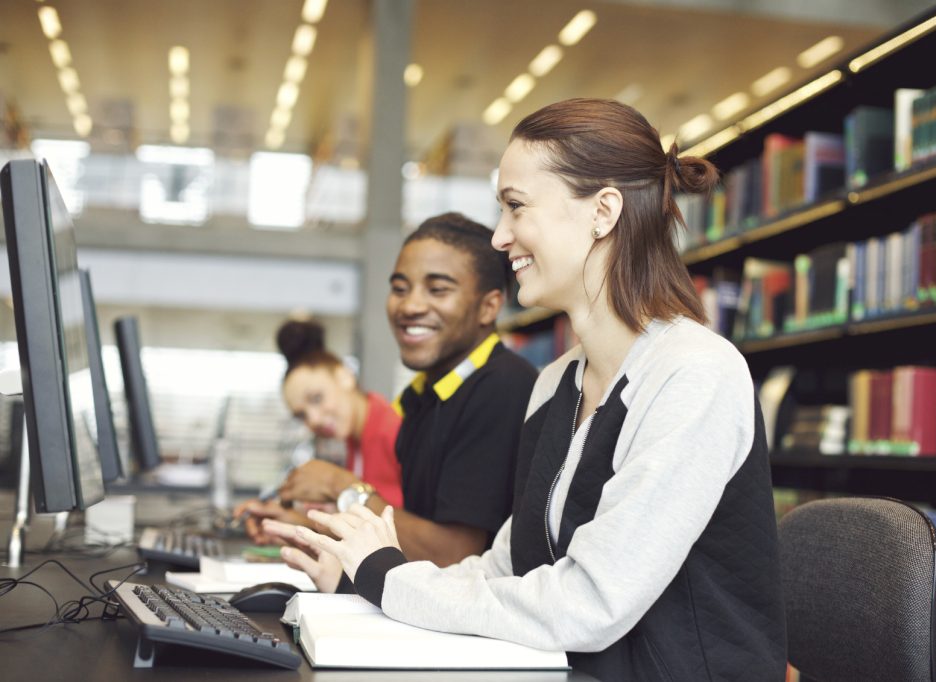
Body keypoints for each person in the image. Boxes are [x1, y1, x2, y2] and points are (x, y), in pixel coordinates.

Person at [266, 99, 787, 681]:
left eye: (515, 207)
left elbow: (592, 603)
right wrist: (357, 578)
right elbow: (505, 571)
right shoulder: (553, 385)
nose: (498, 237)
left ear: (603, 211)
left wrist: (390, 578)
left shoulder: (695, 373)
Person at [265, 213, 538, 568]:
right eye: (400, 288)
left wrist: (342, 486)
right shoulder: (421, 397)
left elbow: (453, 556)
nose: (410, 306)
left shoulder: (501, 387)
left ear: (489, 306)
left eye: (438, 289)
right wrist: (303, 528)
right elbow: (409, 533)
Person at [233, 319, 403, 544]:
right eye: (301, 415)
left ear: (344, 376)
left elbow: (399, 535)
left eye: (316, 398)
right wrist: (296, 524)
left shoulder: (390, 431)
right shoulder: (356, 441)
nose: (313, 419)